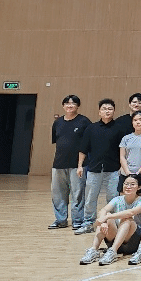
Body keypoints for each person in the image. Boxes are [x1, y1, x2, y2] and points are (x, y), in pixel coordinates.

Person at [79, 174, 141, 266]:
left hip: (133, 241)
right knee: (105, 218)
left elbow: (131, 212)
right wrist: (104, 221)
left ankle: (113, 252)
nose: (128, 187)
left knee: (126, 219)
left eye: (132, 184)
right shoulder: (117, 199)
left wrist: (108, 217)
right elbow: (103, 210)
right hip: (116, 238)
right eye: (126, 184)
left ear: (138, 187)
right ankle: (94, 250)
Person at [76, 99, 122, 234]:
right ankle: (88, 223)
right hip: (94, 169)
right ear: (99, 111)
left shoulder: (119, 128)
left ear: (114, 111)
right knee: (90, 197)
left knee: (113, 197)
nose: (107, 111)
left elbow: (123, 149)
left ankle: (112, 223)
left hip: (113, 169)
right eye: (104, 109)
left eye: (110, 109)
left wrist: (122, 167)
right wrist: (80, 165)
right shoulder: (91, 128)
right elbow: (83, 148)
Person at [50, 95, 91, 230]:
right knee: (58, 194)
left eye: (73, 103)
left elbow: (88, 143)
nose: (70, 106)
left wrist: (81, 164)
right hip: (59, 164)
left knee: (78, 193)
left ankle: (77, 220)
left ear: (77, 106)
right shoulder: (57, 123)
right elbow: (57, 142)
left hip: (78, 165)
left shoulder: (84, 121)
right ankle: (60, 220)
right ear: (63, 106)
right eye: (67, 103)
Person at [118, 110, 141, 196]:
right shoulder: (126, 138)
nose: (138, 122)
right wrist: (128, 172)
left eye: (140, 119)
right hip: (126, 173)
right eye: (135, 120)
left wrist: (139, 173)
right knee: (123, 200)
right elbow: (122, 156)